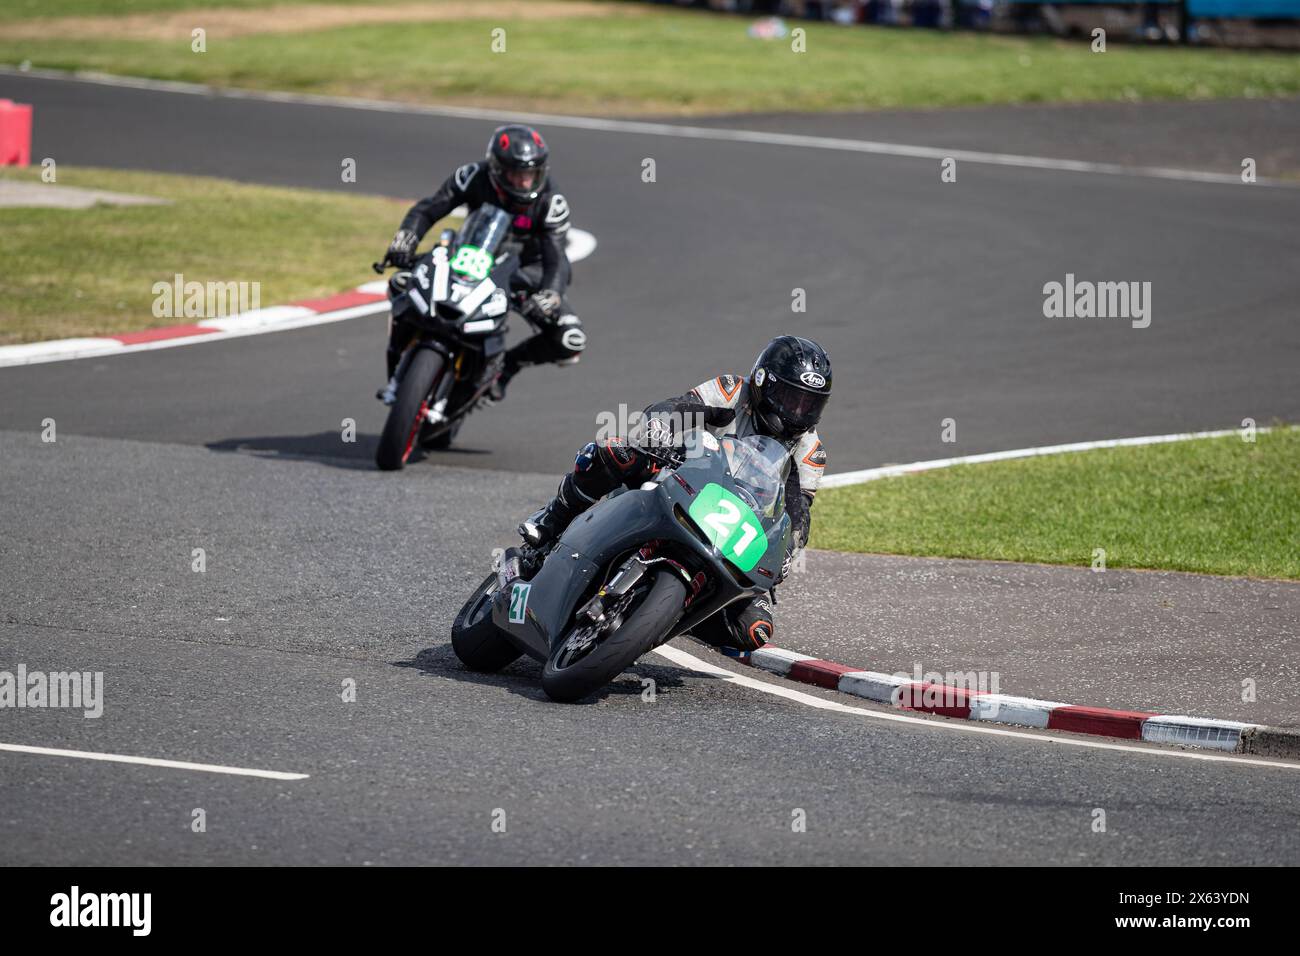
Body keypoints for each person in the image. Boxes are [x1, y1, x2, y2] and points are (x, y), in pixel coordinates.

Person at [517, 335, 831, 656]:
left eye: (810, 404)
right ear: (764, 382)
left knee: (753, 629)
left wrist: (789, 548)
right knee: (618, 449)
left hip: (732, 528)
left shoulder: (810, 453)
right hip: (683, 478)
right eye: (791, 398)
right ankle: (552, 521)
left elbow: (798, 512)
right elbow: (680, 406)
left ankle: (665, 615)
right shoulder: (734, 391)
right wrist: (662, 426)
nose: (798, 412)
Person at [378, 124, 584, 404]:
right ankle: (399, 358)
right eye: (516, 173)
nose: (525, 182)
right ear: (497, 169)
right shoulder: (473, 176)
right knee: (401, 283)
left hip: (523, 272)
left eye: (531, 174)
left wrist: (551, 293)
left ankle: (507, 367)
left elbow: (556, 256)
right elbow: (430, 208)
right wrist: (406, 238)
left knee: (569, 340)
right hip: (473, 256)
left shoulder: (551, 201)